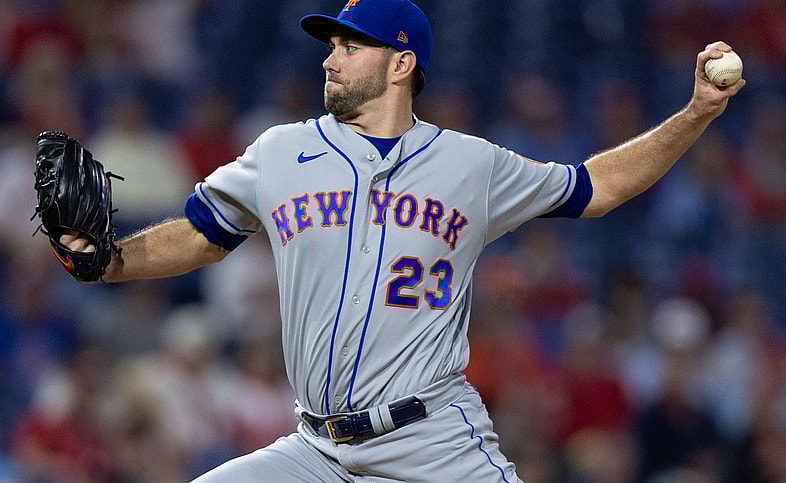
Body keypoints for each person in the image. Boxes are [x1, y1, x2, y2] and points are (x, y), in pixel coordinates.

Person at [59, 0, 744, 481]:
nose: (331, 58)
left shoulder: (471, 165)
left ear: (399, 64)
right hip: (315, 449)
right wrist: (111, 260)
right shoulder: (280, 150)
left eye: (350, 44)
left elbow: (598, 186)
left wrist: (694, 112)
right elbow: (204, 234)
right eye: (331, 44)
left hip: (433, 442)